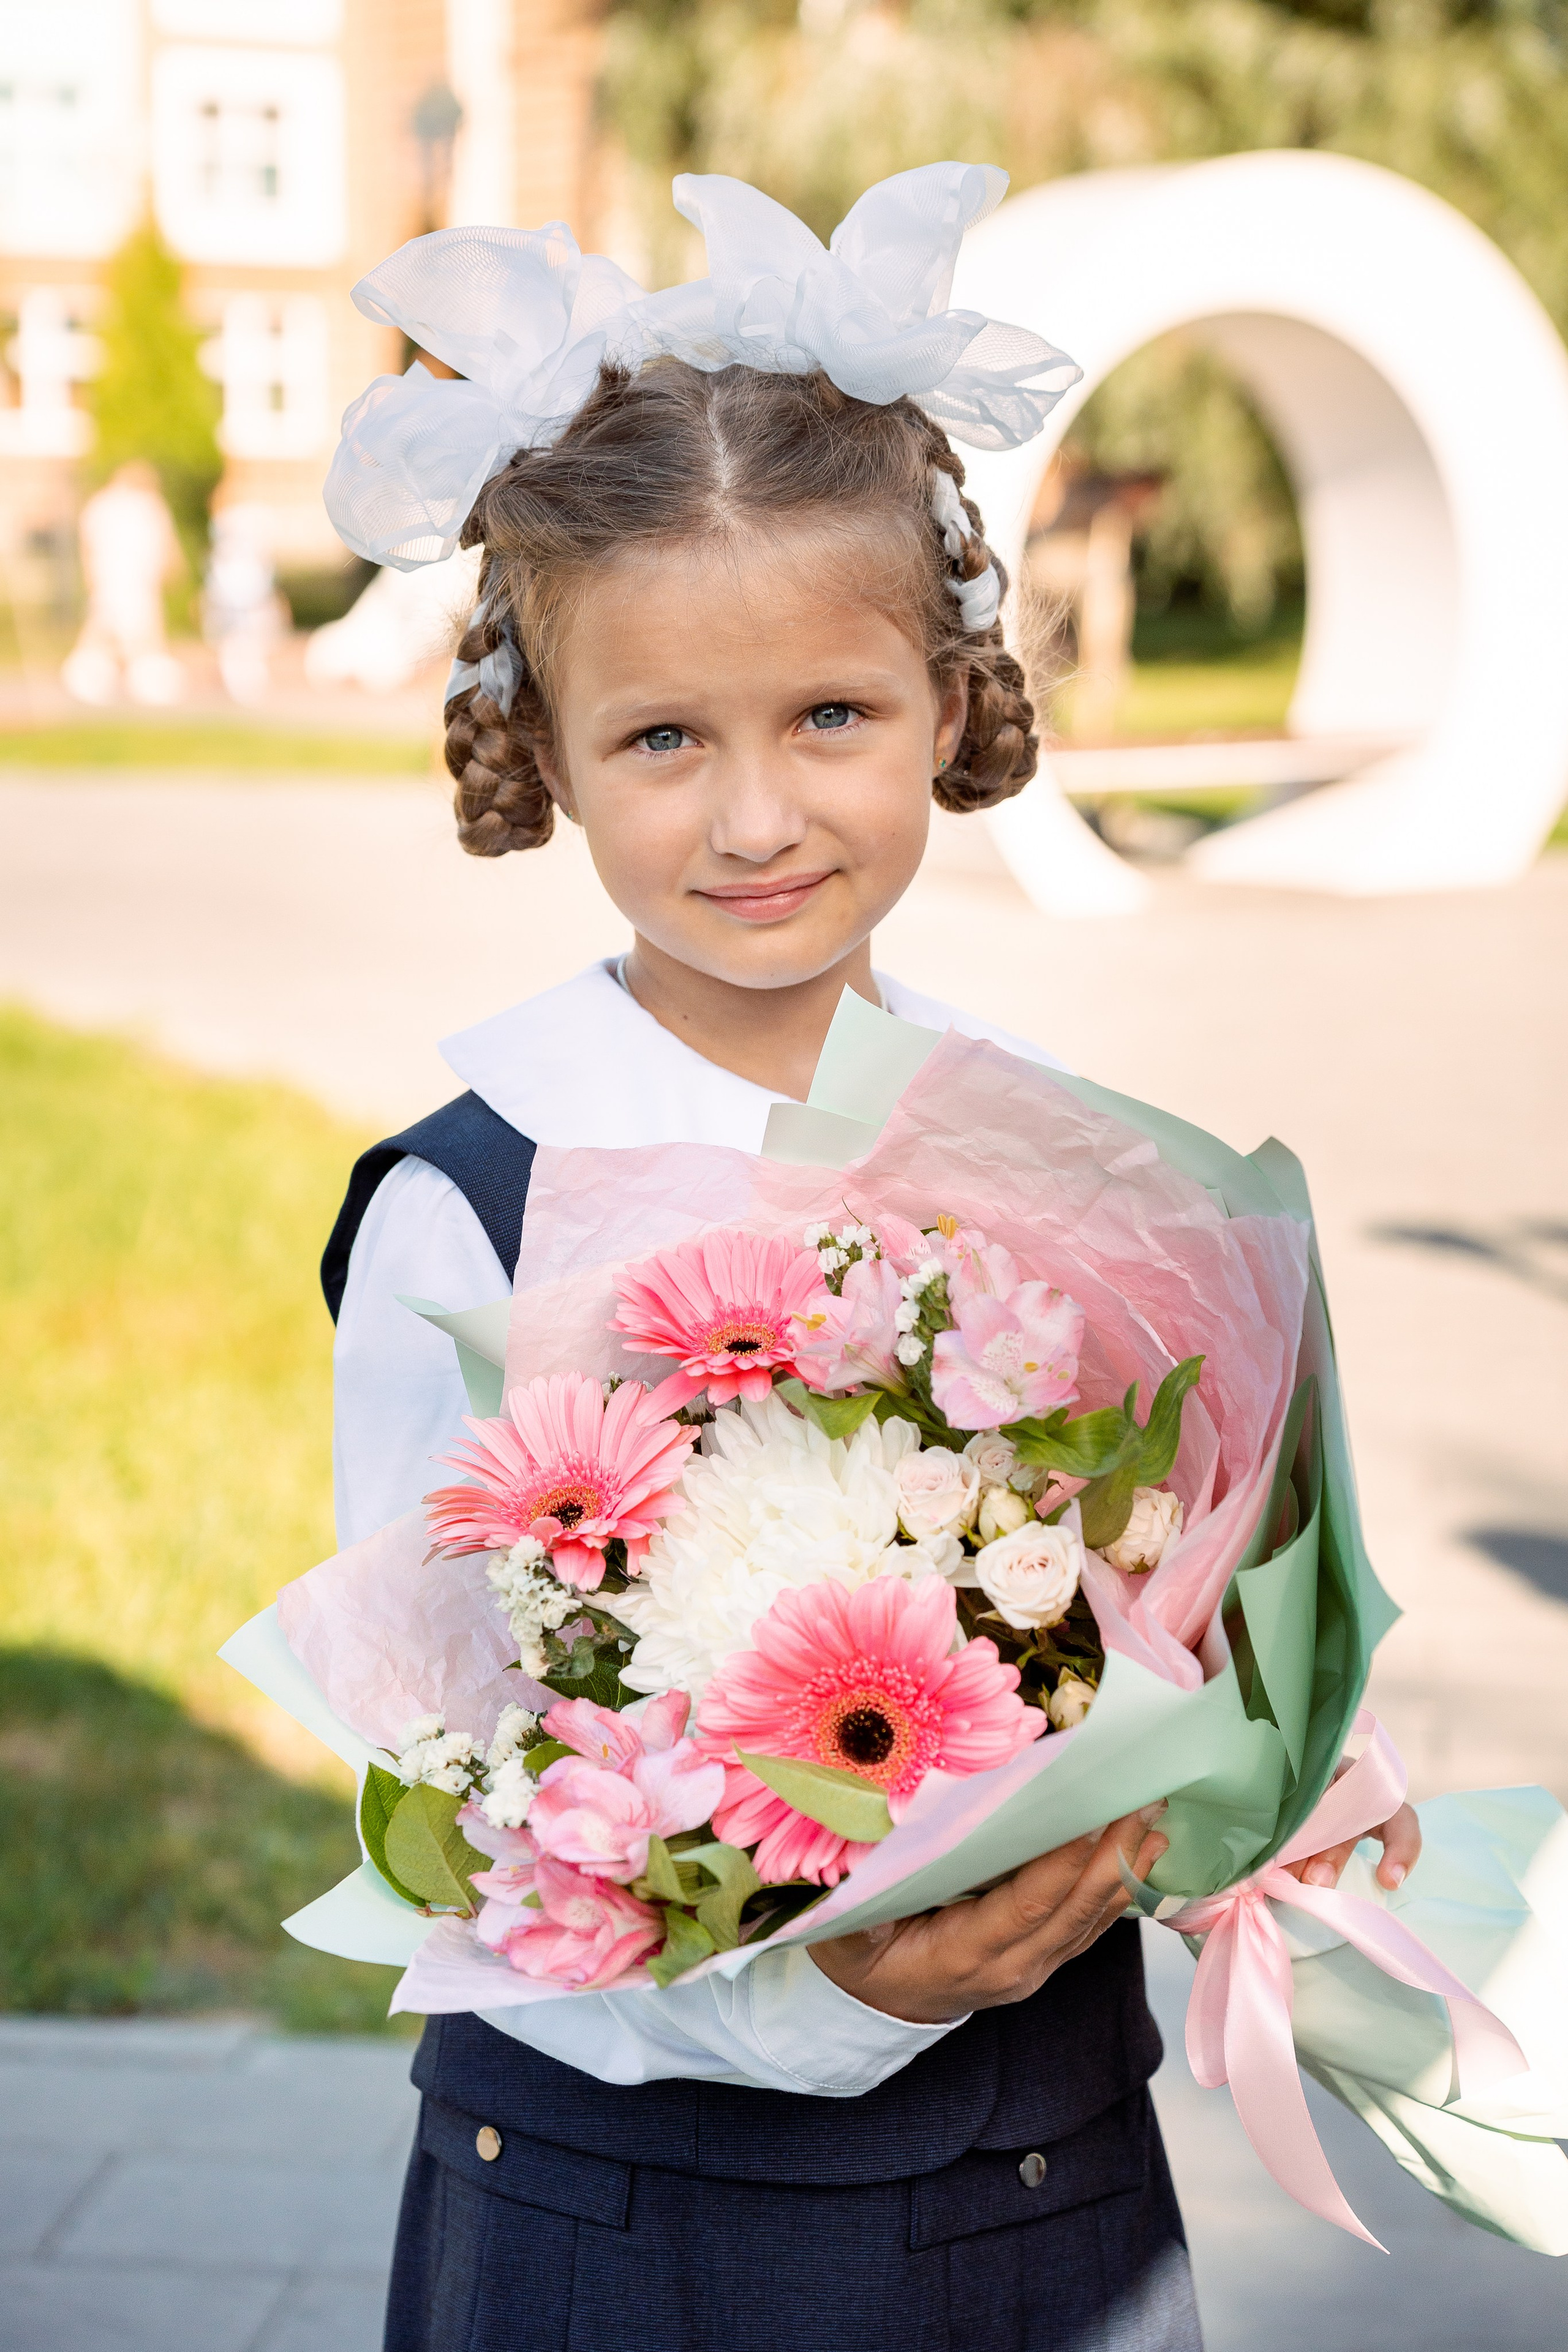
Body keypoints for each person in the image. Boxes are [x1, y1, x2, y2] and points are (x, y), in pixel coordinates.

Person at [319, 165, 1417, 2352]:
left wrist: (1256, 1794)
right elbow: (455, 1794)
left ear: (946, 700)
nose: (753, 821)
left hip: (1039, 2201)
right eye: (659, 740)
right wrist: (818, 1990)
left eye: (827, 717)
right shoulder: (478, 1199)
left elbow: (1162, 1603)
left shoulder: (1066, 1168)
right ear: (539, 749)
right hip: (617, 2209)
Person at [62, 460, 184, 707]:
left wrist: (90, 574)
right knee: (142, 639)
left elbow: (87, 544)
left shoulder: (101, 504)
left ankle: (89, 683)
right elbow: (166, 545)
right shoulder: (147, 505)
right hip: (135, 583)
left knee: (103, 635)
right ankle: (148, 687)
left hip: (111, 581)